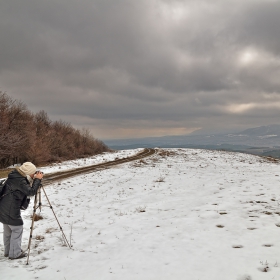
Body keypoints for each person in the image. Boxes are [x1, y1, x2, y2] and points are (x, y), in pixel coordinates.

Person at [0, 162, 43, 259]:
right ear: (28, 172)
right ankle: (15, 254)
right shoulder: (20, 180)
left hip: (3, 207)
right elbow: (31, 192)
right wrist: (37, 180)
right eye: (33, 173)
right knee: (17, 228)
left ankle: (8, 251)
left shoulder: (15, 176)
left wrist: (35, 179)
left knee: (8, 229)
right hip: (10, 209)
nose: (34, 174)